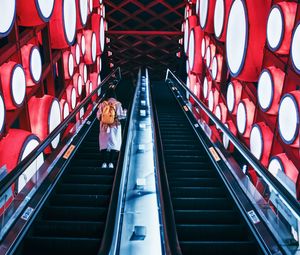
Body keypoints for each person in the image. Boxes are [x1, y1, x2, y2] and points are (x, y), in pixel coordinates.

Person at [96, 87, 126, 168]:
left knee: (104, 144)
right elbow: (121, 116)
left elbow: (98, 116)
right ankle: (111, 163)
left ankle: (104, 163)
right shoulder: (118, 104)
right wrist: (125, 112)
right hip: (115, 127)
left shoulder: (103, 104)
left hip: (104, 127)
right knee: (114, 143)